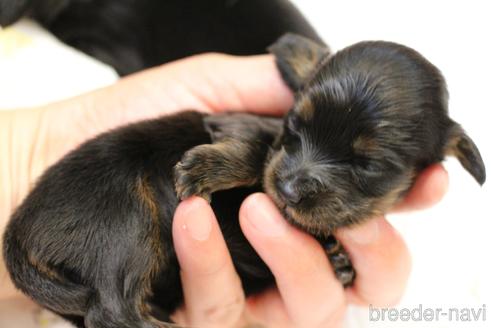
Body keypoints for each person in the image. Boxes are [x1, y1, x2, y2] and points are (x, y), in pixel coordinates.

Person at [0, 53, 449, 327]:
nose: (292, 182)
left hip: (162, 276)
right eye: (297, 128)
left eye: (364, 164)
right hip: (111, 195)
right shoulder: (255, 137)